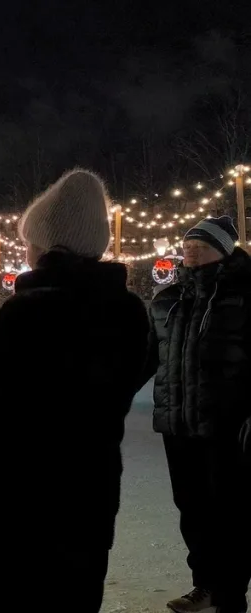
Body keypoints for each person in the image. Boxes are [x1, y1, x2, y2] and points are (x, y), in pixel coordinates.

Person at [0, 169, 151, 613]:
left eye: (30, 240)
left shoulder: (28, 314)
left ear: (48, 246)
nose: (25, 250)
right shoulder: (129, 314)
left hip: (11, 519)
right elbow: (50, 367)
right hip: (84, 511)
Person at [145, 215, 251, 613]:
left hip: (228, 427)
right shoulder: (168, 300)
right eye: (187, 245)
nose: (190, 251)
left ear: (222, 251)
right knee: (192, 511)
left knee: (230, 514)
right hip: (179, 426)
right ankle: (205, 586)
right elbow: (144, 358)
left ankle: (230, 597)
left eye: (200, 245)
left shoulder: (244, 295)